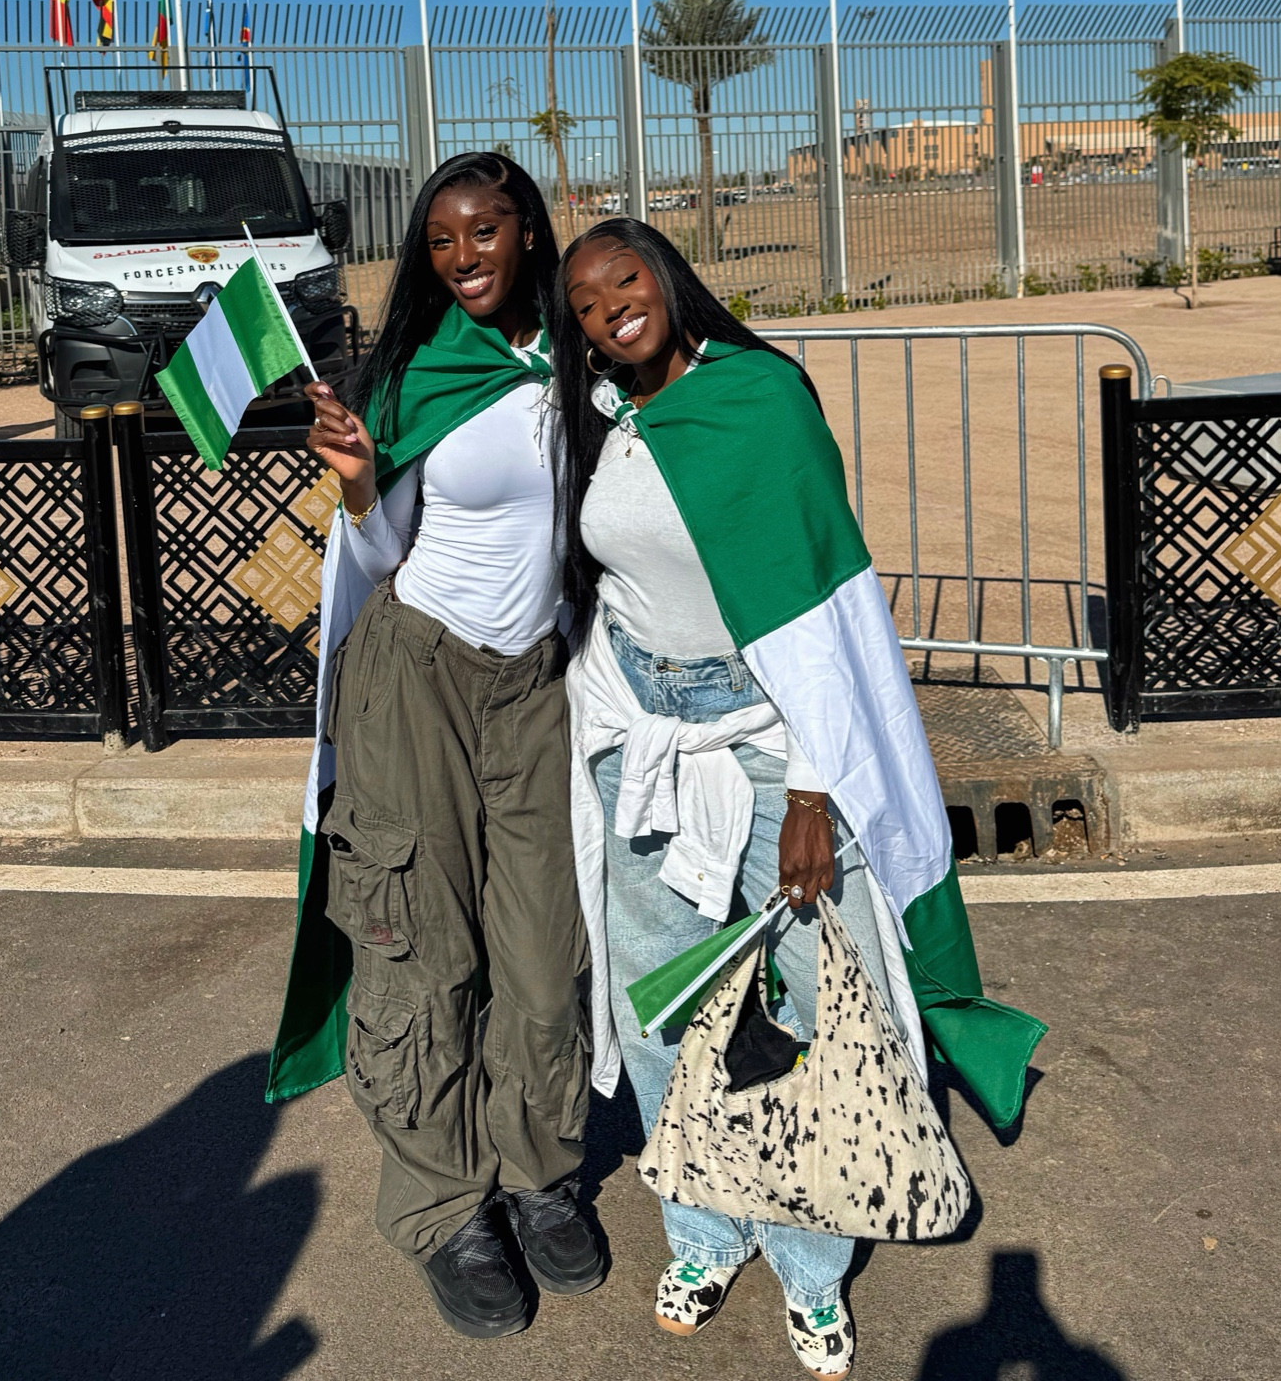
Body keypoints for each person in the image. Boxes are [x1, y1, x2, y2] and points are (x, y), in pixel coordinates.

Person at [548, 218, 1043, 1379]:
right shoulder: (596, 421)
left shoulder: (762, 397)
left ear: (667, 280)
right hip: (647, 738)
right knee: (663, 1003)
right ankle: (706, 1232)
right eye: (583, 300)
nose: (610, 305)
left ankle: (812, 1264)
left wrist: (817, 783)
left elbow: (825, 606)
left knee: (818, 1010)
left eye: (626, 279)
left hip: (774, 742)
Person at [266, 153, 603, 1341]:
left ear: (530, 233)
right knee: (421, 944)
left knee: (545, 948)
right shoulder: (417, 372)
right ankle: (445, 1200)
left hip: (538, 689)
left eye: (487, 232)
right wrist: (361, 484)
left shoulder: (582, 355)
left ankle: (538, 1167)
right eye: (444, 239)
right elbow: (380, 546)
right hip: (417, 678)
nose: (465, 257)